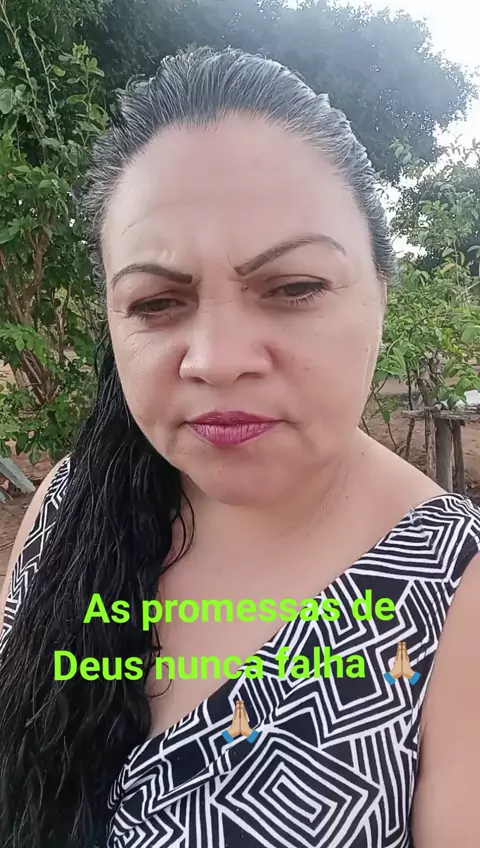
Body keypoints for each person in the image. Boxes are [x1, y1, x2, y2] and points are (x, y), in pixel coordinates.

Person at [0, 46, 478, 848]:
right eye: (156, 302)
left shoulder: (457, 598)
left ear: (382, 292)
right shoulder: (72, 502)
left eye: (294, 287)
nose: (217, 360)